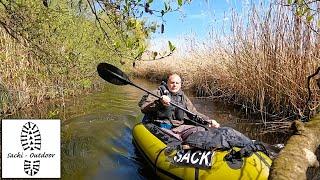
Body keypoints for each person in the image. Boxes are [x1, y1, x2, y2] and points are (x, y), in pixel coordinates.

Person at [139, 73, 220, 141]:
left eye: (177, 83)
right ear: (167, 83)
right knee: (174, 139)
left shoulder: (183, 97)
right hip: (160, 127)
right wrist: (159, 102)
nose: (174, 85)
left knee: (201, 129)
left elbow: (193, 113)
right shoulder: (157, 93)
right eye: (172, 82)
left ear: (180, 85)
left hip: (178, 127)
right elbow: (144, 108)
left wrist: (208, 120)